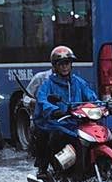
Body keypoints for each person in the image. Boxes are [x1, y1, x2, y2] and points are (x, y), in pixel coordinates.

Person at [32, 44, 99, 174]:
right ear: (55, 66)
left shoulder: (78, 82)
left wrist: (102, 107)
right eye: (61, 64)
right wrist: (54, 110)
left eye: (67, 63)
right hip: (56, 124)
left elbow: (91, 97)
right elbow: (42, 101)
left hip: (76, 123)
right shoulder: (48, 84)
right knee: (56, 137)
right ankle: (51, 170)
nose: (64, 66)